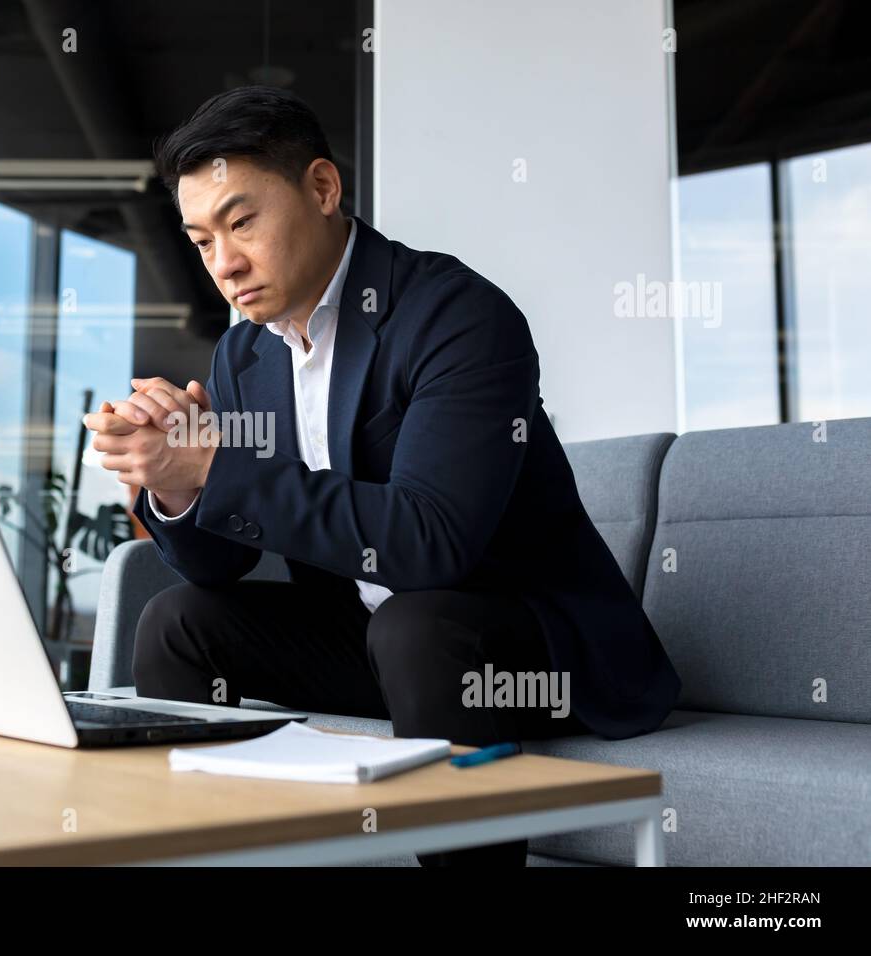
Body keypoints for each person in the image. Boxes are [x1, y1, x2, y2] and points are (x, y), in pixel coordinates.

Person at [82, 86, 681, 867]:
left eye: (242, 221)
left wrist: (218, 466)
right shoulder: (245, 353)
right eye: (201, 240)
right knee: (176, 619)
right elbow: (220, 563)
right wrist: (175, 483)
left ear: (322, 190)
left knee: (420, 626)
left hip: (523, 652)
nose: (224, 264)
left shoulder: (456, 314)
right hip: (372, 645)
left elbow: (433, 543)